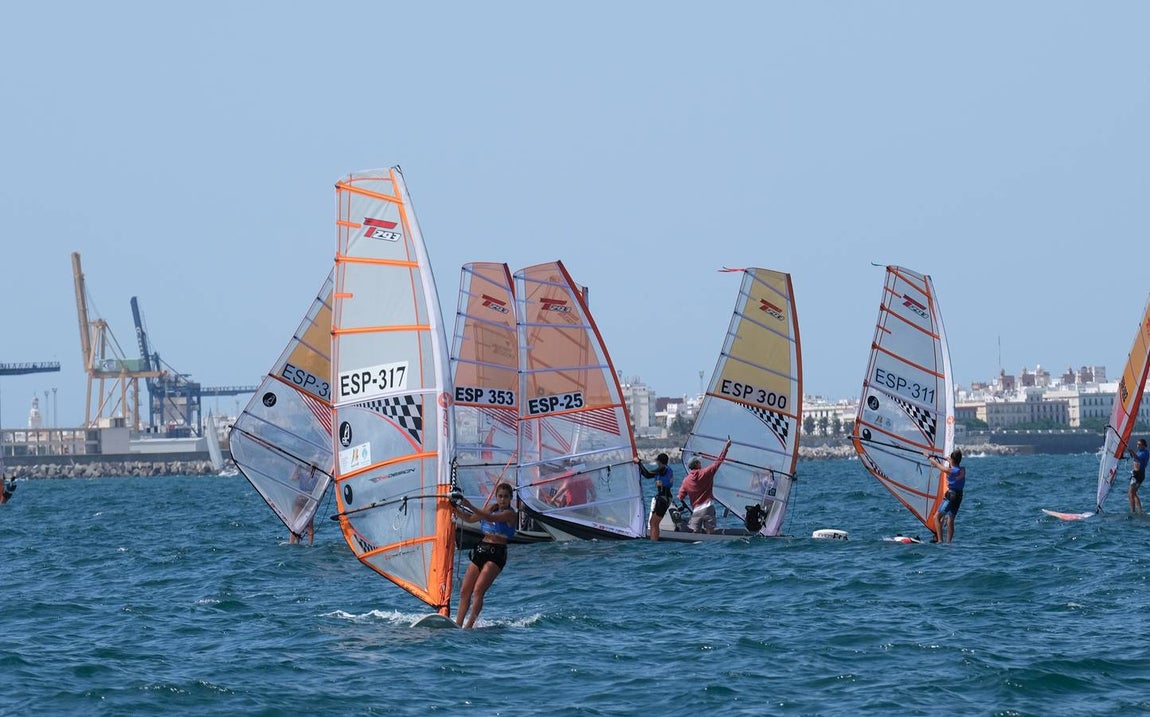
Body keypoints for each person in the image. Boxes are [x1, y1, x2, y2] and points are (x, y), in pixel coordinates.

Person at [451, 482, 517, 629]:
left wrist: (468, 504)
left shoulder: (510, 514)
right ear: (496, 497)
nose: (502, 500)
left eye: (506, 497)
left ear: (511, 498)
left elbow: (490, 518)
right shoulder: (491, 508)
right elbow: (470, 519)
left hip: (496, 554)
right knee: (465, 590)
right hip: (481, 550)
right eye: (500, 496)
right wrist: (453, 507)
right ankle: (457, 624)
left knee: (478, 590)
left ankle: (469, 626)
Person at [676, 439, 733, 534]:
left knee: (694, 534)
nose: (700, 463)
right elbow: (719, 461)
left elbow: (680, 496)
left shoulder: (686, 480)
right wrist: (726, 447)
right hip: (708, 508)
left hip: (696, 511)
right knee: (710, 533)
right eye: (699, 462)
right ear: (697, 464)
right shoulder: (706, 473)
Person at [925, 449, 965, 543]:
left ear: (952, 459)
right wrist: (950, 461)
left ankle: (940, 541)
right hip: (959, 496)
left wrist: (928, 456)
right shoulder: (962, 470)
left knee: (936, 518)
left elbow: (938, 465)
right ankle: (948, 543)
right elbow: (954, 468)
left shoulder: (949, 470)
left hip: (951, 496)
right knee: (951, 519)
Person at [635, 452, 673, 540]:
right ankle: (654, 540)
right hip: (665, 497)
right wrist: (639, 464)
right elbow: (647, 474)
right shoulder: (665, 470)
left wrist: (639, 463)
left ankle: (654, 541)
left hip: (663, 498)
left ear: (659, 461)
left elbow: (647, 474)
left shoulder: (663, 469)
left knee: (654, 523)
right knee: (653, 522)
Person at [289, 464, 318, 545]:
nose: (312, 469)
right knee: (295, 522)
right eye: (311, 467)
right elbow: (292, 478)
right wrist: (297, 468)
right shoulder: (302, 475)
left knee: (310, 524)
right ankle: (292, 543)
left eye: (314, 468)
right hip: (300, 500)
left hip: (310, 502)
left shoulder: (317, 478)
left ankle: (310, 545)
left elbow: (321, 487)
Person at [1127, 438, 1149, 514]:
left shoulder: (1145, 452)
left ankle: (1132, 511)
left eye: (1139, 444)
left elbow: (1138, 458)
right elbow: (1134, 457)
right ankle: (1140, 511)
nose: (1137, 446)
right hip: (1137, 474)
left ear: (1144, 445)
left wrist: (1132, 451)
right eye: (1137, 444)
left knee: (1130, 493)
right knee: (1134, 493)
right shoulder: (1139, 452)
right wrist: (1130, 452)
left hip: (1138, 475)